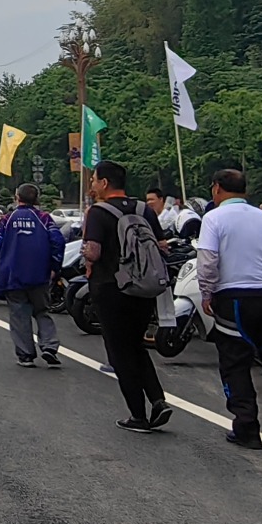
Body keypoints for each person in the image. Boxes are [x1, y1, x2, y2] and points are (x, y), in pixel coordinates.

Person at [197, 168, 262, 447]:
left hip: (233, 299)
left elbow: (208, 261)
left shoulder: (213, 218)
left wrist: (207, 293)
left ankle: (247, 427)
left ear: (217, 188)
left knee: (235, 364)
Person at [82, 161, 173, 430]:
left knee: (120, 352)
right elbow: (161, 245)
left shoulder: (97, 212)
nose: (92, 184)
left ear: (104, 183)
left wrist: (86, 256)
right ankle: (158, 400)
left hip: (111, 289)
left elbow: (94, 252)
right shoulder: (144, 209)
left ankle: (138, 415)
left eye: (94, 179)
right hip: (144, 289)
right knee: (135, 345)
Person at [0, 183, 66, 368]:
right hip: (39, 275)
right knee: (42, 311)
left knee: (19, 315)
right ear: (36, 199)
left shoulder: (7, 219)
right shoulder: (44, 218)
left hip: (13, 275)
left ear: (17, 197)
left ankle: (26, 356)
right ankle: (49, 347)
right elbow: (58, 241)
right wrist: (54, 267)